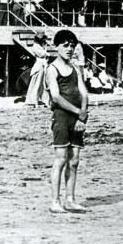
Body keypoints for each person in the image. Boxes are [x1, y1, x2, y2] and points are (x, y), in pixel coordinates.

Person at [45, 29, 89, 214]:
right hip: (62, 117)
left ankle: (70, 199)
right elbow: (56, 97)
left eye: (72, 46)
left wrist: (83, 114)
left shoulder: (75, 68)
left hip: (77, 118)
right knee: (61, 159)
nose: (70, 49)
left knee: (74, 161)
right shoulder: (51, 69)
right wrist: (78, 112)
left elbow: (84, 92)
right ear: (56, 47)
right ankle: (55, 201)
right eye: (65, 46)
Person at [24, 31, 50, 107]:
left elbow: (45, 55)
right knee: (37, 83)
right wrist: (46, 53)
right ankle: (34, 101)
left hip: (44, 64)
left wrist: (45, 48)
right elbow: (41, 54)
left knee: (44, 83)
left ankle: (45, 101)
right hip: (39, 65)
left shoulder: (43, 45)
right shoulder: (35, 46)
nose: (44, 41)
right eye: (42, 39)